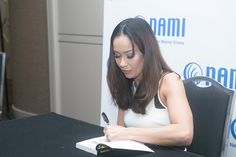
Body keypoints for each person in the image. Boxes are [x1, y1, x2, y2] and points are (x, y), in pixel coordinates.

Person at [104, 17, 193, 147]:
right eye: (117, 56)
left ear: (147, 53)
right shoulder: (125, 82)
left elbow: (184, 133)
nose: (122, 63)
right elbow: (121, 133)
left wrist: (129, 133)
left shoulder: (169, 81)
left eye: (130, 55)